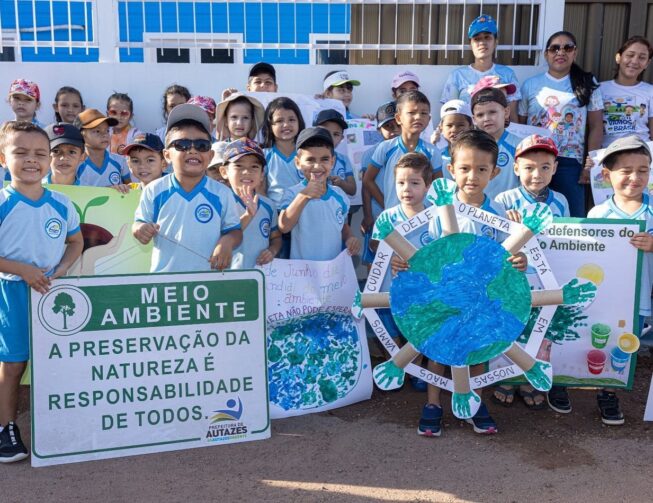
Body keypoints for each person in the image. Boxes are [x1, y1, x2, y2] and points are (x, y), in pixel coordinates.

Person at [415, 130, 527, 436]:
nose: (472, 176)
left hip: (483, 299)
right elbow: (427, 254)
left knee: (478, 351)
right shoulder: (439, 211)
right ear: (451, 170)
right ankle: (433, 403)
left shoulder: (501, 215)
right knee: (438, 350)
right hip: (446, 296)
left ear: (495, 172)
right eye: (464, 168)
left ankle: (474, 401)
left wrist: (520, 263)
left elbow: (511, 256)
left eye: (481, 169)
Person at [0, 121, 83, 463]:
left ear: (48, 159)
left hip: (51, 294)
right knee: (13, 363)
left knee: (56, 361)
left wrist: (61, 270)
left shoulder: (62, 204)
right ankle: (5, 428)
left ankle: (60, 427)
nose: (31, 160)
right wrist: (22, 270)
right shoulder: (3, 202)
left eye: (38, 153)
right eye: (20, 153)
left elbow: (76, 241)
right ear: (4, 158)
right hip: (12, 295)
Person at [493, 134, 570, 409]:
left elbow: (563, 244)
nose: (537, 174)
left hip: (546, 280)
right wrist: (508, 226)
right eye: (529, 167)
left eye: (545, 167)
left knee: (539, 331)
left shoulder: (561, 201)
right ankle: (506, 378)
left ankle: (527, 379)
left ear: (555, 168)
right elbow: (494, 244)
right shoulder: (504, 200)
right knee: (512, 328)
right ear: (516, 168)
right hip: (513, 281)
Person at [584, 135, 653, 425]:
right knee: (609, 341)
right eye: (625, 171)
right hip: (610, 297)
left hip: (643, 296)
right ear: (606, 174)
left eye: (643, 170)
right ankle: (607, 393)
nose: (635, 178)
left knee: (628, 343)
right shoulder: (598, 214)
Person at [133, 104, 242, 272]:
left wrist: (227, 242)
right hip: (165, 283)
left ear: (211, 156)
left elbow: (234, 231)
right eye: (182, 144)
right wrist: (140, 229)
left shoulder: (222, 193)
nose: (192, 150)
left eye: (201, 145)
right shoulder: (154, 190)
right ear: (167, 155)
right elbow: (139, 222)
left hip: (209, 283)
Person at [519, 30, 603, 217]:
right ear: (546, 54)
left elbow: (596, 126)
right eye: (555, 48)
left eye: (567, 47)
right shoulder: (531, 85)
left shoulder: (588, 83)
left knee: (572, 219)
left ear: (575, 52)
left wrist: (590, 164)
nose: (561, 52)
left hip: (569, 161)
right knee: (531, 215)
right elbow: (521, 124)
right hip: (535, 160)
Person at [371, 152, 434, 391]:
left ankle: (417, 368)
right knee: (392, 327)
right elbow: (375, 245)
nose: (407, 189)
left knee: (418, 328)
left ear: (427, 186)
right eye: (401, 183)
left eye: (415, 183)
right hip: (392, 287)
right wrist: (391, 254)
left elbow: (441, 251)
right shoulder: (388, 217)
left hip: (423, 291)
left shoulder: (436, 217)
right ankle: (398, 364)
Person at [278, 127, 360, 260]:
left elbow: (342, 225)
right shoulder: (292, 194)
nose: (317, 166)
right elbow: (284, 226)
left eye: (324, 159)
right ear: (298, 163)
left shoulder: (339, 195)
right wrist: (304, 195)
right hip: (302, 272)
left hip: (331, 273)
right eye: (310, 160)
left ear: (332, 162)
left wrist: (350, 237)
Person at [363, 90, 442, 211]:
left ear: (429, 118)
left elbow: (439, 187)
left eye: (424, 113)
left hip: (423, 220)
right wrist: (386, 206)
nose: (418, 117)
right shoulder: (385, 148)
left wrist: (431, 212)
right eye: (412, 112)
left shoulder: (432, 152)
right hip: (394, 221)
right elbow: (368, 180)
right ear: (399, 118)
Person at [440, 15, 521, 118]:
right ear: (471, 44)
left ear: (495, 42)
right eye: (477, 39)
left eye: (487, 37)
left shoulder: (507, 74)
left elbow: (512, 116)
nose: (482, 43)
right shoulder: (457, 75)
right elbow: (450, 115)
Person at [219, 138, 282, 268]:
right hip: (227, 279)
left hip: (259, 278)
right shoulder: (220, 202)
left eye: (254, 166)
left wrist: (272, 251)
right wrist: (248, 215)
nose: (247, 172)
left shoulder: (268, 205)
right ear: (224, 172)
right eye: (239, 166)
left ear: (262, 175)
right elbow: (217, 241)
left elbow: (276, 238)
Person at [360, 101, 401, 263]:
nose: (394, 131)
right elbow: (366, 186)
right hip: (378, 215)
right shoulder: (369, 154)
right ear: (378, 130)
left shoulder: (414, 151)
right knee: (376, 261)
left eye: (397, 125)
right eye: (388, 127)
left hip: (407, 217)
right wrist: (368, 215)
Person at [600, 36, 653, 146]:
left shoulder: (650, 91)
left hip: (641, 155)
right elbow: (594, 127)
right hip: (608, 155)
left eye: (642, 58)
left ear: (647, 63)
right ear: (618, 57)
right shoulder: (600, 89)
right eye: (630, 55)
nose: (634, 61)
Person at [471, 87, 521, 199]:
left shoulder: (520, 145)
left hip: (510, 213)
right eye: (480, 115)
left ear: (506, 112)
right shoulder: (469, 147)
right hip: (479, 212)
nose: (486, 118)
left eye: (492, 112)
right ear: (474, 119)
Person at [261, 97, 306, 204]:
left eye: (291, 119)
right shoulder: (263, 155)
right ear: (269, 126)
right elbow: (261, 190)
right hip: (276, 212)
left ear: (299, 122)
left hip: (305, 211)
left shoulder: (307, 153)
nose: (286, 125)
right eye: (279, 121)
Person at [74, 109, 131, 187]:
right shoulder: (75, 164)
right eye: (97, 131)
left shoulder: (120, 161)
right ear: (82, 135)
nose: (104, 134)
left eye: (107, 130)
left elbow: (131, 189)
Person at [312, 109, 356, 195]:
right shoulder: (308, 158)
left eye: (336, 134)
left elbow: (352, 190)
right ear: (315, 132)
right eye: (325, 132)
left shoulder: (344, 159)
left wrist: (341, 183)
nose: (330, 137)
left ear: (341, 138)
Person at [438, 100, 474, 171]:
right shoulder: (437, 153)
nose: (454, 130)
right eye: (449, 125)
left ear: (471, 126)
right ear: (441, 128)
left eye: (460, 125)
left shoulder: (476, 152)